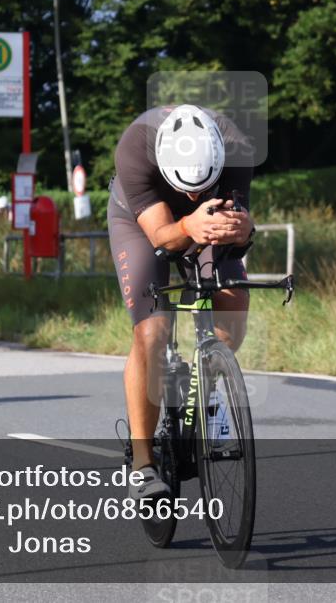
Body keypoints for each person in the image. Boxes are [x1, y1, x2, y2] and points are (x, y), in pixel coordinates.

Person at [108, 105, 255, 500]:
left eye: (200, 188)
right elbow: (160, 237)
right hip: (141, 221)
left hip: (206, 219)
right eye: (186, 189)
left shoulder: (237, 145)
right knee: (152, 332)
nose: (192, 196)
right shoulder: (135, 148)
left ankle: (199, 386)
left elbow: (236, 227)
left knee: (232, 305)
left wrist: (243, 229)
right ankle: (142, 464)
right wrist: (188, 222)